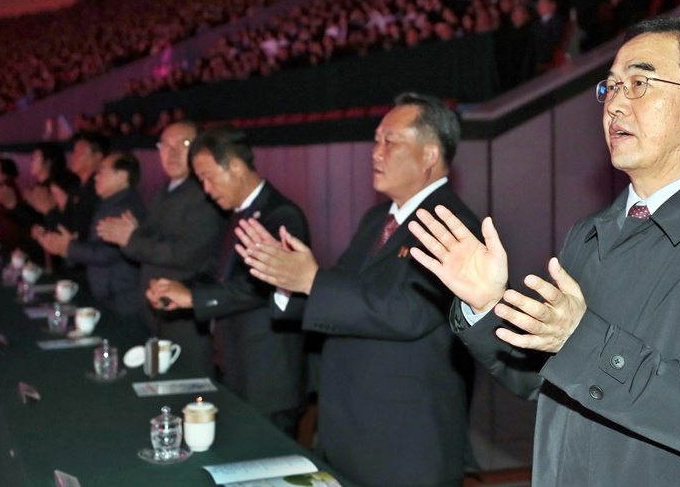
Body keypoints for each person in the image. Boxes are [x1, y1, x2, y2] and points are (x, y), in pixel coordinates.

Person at [406, 17, 680, 486]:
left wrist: (579, 339)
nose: (616, 104)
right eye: (611, 86)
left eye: (640, 83)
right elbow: (541, 380)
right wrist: (487, 306)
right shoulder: (590, 233)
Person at [236, 93, 479, 487]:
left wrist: (310, 279)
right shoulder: (376, 218)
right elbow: (343, 293)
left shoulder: (451, 224)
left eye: (390, 141)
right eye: (375, 140)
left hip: (403, 441)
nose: (375, 153)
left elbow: (407, 312)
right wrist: (287, 282)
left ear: (430, 155)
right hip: (352, 428)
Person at [145, 124, 309, 437]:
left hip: (268, 379)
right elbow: (217, 271)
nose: (205, 189)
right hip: (236, 367)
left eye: (208, 177)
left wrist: (194, 298)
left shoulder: (281, 214)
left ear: (235, 166)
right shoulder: (236, 212)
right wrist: (179, 288)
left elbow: (259, 287)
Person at [96, 121, 227, 374]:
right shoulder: (164, 191)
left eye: (184, 144)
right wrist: (132, 236)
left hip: (185, 314)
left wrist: (132, 238)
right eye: (166, 145)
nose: (173, 152)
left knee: (190, 384)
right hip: (157, 310)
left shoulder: (203, 192)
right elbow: (149, 244)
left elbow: (184, 252)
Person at [38, 151, 147, 329]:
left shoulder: (125, 208)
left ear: (122, 176)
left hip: (121, 297)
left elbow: (109, 252)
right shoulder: (110, 203)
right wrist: (67, 246)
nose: (96, 177)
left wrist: (68, 248)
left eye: (102, 171)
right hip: (109, 295)